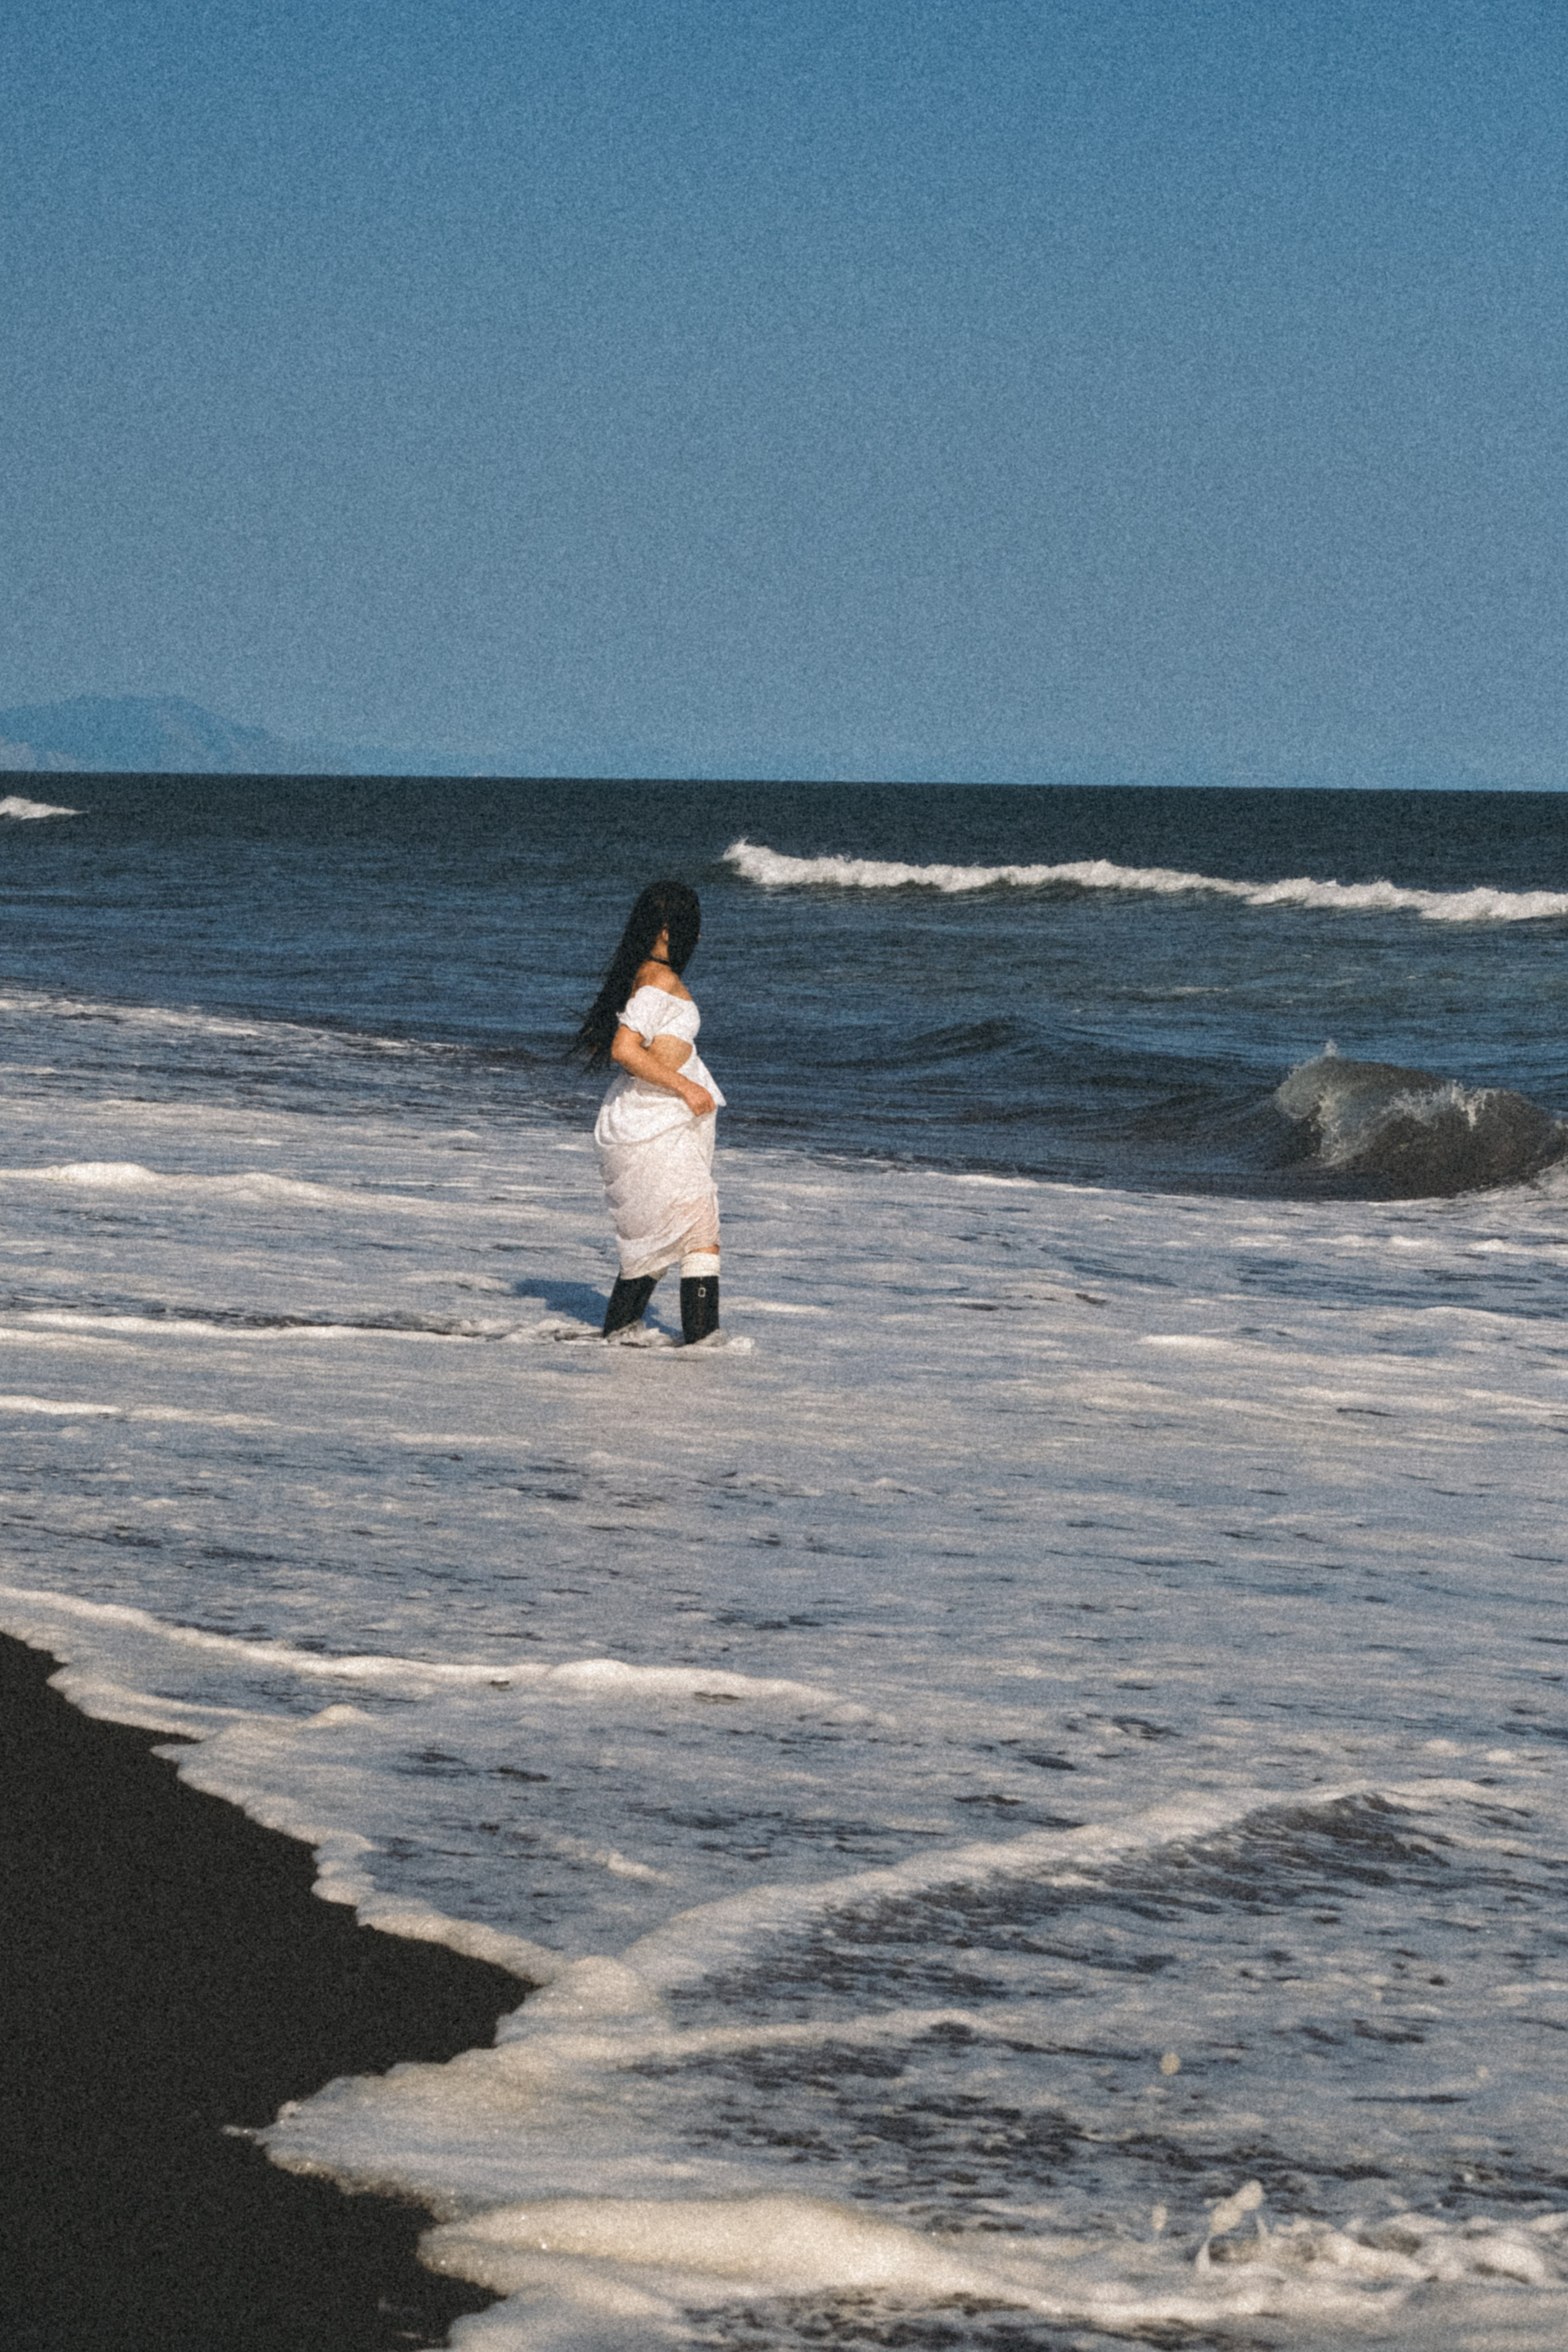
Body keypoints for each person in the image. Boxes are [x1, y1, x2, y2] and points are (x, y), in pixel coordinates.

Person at [576, 880, 725, 1344]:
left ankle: (619, 1340)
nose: (697, 938)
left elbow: (621, 1042)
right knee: (699, 1234)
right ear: (666, 929)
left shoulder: (641, 974)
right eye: (690, 926)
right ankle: (704, 1354)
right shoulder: (659, 980)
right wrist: (686, 1085)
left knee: (655, 1246)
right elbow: (624, 1048)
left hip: (648, 1120)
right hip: (655, 1124)